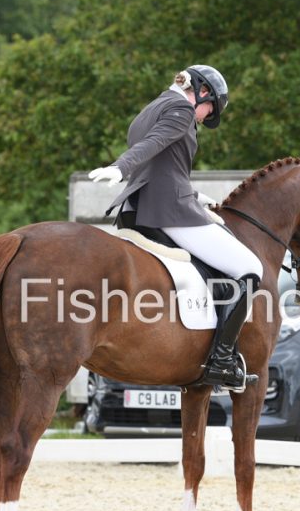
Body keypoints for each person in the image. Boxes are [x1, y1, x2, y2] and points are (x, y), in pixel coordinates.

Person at [88, 65, 262, 390]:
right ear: (203, 92)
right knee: (251, 269)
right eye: (210, 110)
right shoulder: (182, 109)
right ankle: (222, 361)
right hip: (169, 212)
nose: (205, 118)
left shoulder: (152, 107)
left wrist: (194, 195)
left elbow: (163, 166)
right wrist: (120, 167)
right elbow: (154, 144)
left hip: (140, 208)